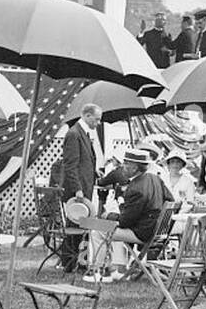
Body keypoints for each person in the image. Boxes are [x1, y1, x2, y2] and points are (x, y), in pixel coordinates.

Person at [87, 148, 173, 282]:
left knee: (97, 230)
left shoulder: (136, 188)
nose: (122, 167)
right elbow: (171, 200)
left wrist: (108, 215)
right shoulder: (154, 178)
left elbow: (124, 222)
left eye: (126, 163)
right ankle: (118, 268)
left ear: (134, 168)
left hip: (142, 233)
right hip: (156, 231)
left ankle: (101, 273)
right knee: (108, 228)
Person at [57, 104, 104, 271]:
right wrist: (77, 189)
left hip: (85, 186)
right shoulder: (74, 134)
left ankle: (75, 260)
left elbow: (82, 161)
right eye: (97, 119)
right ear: (87, 115)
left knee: (80, 225)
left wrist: (94, 171)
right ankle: (69, 263)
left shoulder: (83, 133)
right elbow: (70, 165)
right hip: (77, 191)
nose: (98, 123)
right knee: (75, 224)